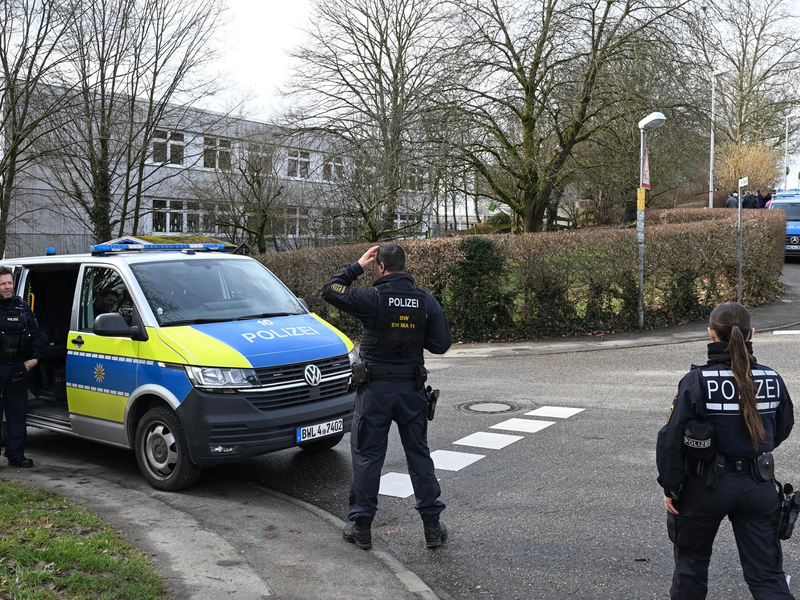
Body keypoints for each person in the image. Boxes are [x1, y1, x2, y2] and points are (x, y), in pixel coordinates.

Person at [656, 302, 795, 599]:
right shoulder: (772, 379)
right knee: (768, 576)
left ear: (710, 334)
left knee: (691, 569)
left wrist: (671, 487)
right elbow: (782, 427)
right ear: (751, 334)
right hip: (759, 486)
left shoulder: (696, 381)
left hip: (704, 487)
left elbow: (670, 440)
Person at [321, 243, 453, 550]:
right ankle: (432, 528)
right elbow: (441, 344)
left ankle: (362, 528)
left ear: (380, 266)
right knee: (418, 457)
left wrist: (357, 265)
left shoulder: (372, 297)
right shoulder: (425, 301)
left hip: (375, 392)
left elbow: (330, 290)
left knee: (368, 458)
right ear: (405, 267)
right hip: (411, 391)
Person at [0, 266, 42, 468]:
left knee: (17, 414)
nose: (8, 287)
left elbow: (35, 334)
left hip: (17, 368)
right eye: (3, 284)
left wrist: (34, 359)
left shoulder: (21, 306)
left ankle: (16, 455)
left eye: (10, 283)